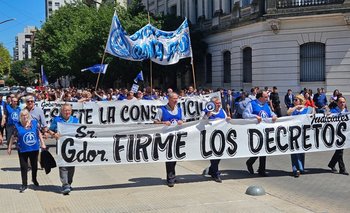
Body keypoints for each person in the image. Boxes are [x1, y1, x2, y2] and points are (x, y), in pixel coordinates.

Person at [7, 109, 46, 193]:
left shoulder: (34, 123)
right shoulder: (17, 125)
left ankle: (34, 179)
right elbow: (13, 137)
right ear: (20, 117)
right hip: (22, 149)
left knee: (34, 166)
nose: (24, 117)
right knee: (24, 167)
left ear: (28, 116)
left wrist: (43, 143)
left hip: (34, 148)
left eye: (26, 115)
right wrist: (9, 147)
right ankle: (24, 184)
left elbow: (39, 133)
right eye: (22, 115)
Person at [243, 90, 277, 176]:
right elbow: (245, 114)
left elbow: (270, 113)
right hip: (255, 131)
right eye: (265, 97)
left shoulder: (266, 105)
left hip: (266, 131)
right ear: (260, 97)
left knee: (264, 150)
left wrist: (274, 115)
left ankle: (262, 170)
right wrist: (255, 116)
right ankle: (250, 162)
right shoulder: (252, 104)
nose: (267, 98)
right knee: (258, 149)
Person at [154, 92, 184, 187]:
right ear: (169, 99)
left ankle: (173, 176)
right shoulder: (161, 110)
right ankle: (170, 178)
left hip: (177, 136)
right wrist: (163, 122)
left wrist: (181, 121)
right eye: (174, 99)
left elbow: (184, 120)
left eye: (177, 99)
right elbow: (155, 122)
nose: (176, 101)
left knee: (174, 157)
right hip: (166, 137)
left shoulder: (179, 109)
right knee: (169, 157)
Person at [48, 104, 79, 195]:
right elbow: (50, 130)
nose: (67, 112)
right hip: (61, 146)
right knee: (63, 165)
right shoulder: (57, 120)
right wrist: (54, 135)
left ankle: (69, 183)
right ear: (61, 111)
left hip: (72, 146)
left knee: (71, 166)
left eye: (69, 110)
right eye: (65, 110)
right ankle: (65, 184)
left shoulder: (75, 120)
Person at [201, 97, 231, 183]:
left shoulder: (222, 111)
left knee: (219, 154)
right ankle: (216, 174)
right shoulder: (206, 111)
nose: (219, 104)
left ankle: (211, 169)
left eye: (219, 103)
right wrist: (207, 116)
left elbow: (226, 120)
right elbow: (200, 121)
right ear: (212, 103)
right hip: (210, 136)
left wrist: (228, 119)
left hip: (221, 136)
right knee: (214, 154)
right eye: (217, 103)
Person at [287, 94, 315, 177]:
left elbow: (314, 113)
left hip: (304, 133)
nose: (294, 101)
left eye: (296, 100)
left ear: (301, 100)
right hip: (294, 133)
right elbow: (288, 113)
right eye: (294, 100)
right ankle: (296, 169)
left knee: (302, 151)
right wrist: (296, 107)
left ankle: (301, 168)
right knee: (294, 152)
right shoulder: (292, 109)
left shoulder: (307, 109)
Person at [327, 96, 349, 175]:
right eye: (340, 102)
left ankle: (332, 164)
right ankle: (342, 169)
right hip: (335, 134)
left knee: (339, 151)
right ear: (337, 103)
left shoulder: (347, 111)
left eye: (343, 102)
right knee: (340, 151)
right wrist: (327, 115)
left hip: (343, 135)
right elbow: (327, 118)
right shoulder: (333, 111)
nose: (342, 103)